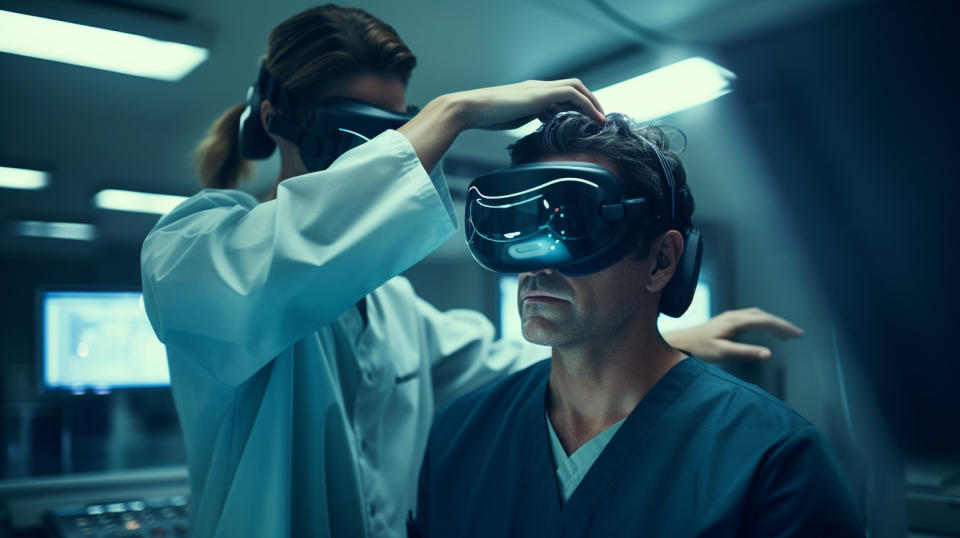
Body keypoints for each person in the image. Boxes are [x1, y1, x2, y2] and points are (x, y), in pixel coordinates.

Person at [141, 5, 802, 537]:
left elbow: (506, 369)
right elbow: (276, 270)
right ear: (276, 119)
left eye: (394, 131)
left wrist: (664, 342)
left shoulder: (391, 307)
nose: (380, 153)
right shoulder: (193, 250)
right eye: (359, 133)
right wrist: (455, 114)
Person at [414, 112, 863, 537]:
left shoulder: (773, 460)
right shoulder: (461, 437)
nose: (536, 264)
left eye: (573, 226)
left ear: (661, 261)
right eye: (524, 228)